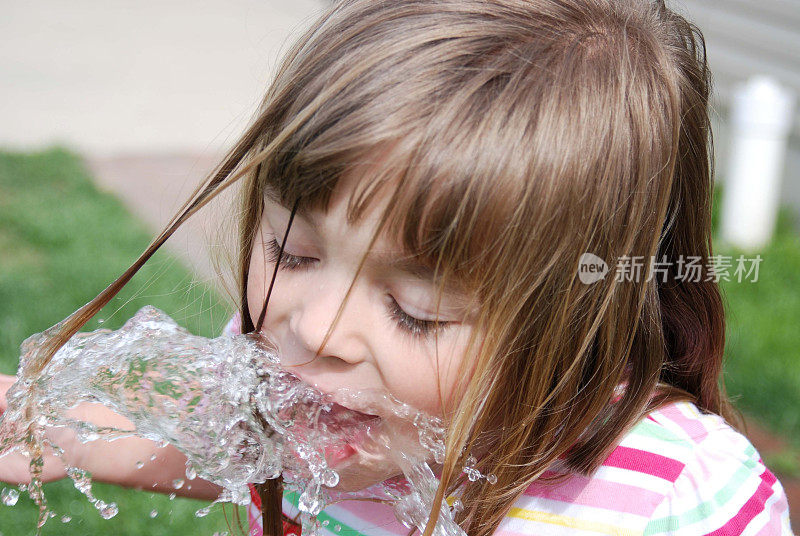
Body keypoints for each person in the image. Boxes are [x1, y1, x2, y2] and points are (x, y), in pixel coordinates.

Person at [0, 0, 794, 534]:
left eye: (418, 307)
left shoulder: (678, 498)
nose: (316, 326)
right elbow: (238, 449)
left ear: (581, 319)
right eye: (293, 252)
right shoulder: (299, 372)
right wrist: (81, 437)